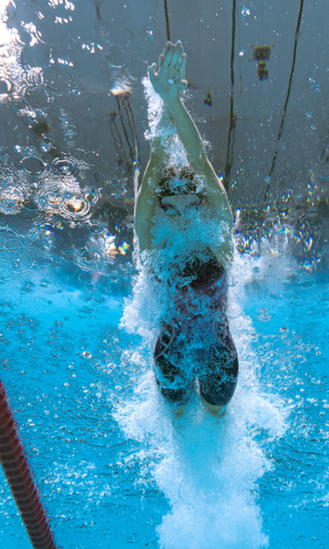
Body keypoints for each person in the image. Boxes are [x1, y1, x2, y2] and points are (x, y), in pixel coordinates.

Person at [134, 41, 238, 417]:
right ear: (158, 209)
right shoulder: (153, 245)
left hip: (220, 357)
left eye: (189, 204)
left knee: (216, 416)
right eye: (169, 205)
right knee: (177, 421)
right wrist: (166, 102)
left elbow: (200, 160)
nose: (179, 213)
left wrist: (175, 103)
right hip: (170, 357)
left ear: (203, 205)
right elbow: (154, 169)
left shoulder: (218, 239)